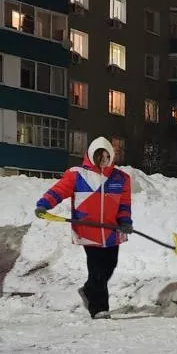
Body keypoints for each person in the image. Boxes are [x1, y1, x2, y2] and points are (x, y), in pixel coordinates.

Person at [34, 137, 133, 319]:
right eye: (99, 156)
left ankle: (88, 290)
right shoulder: (77, 174)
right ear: (91, 156)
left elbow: (124, 204)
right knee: (97, 270)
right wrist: (44, 205)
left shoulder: (121, 178)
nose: (103, 160)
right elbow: (58, 191)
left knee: (109, 267)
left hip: (112, 232)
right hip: (88, 231)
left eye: (106, 156)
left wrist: (125, 221)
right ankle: (99, 308)